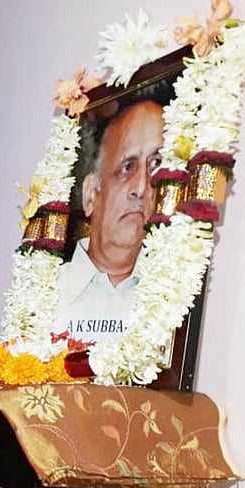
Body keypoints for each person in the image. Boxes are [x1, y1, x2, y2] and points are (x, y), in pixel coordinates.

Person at [55, 99, 163, 342]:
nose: (141, 188)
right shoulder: (44, 292)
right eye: (127, 167)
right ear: (91, 194)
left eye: (155, 166)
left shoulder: (173, 294)